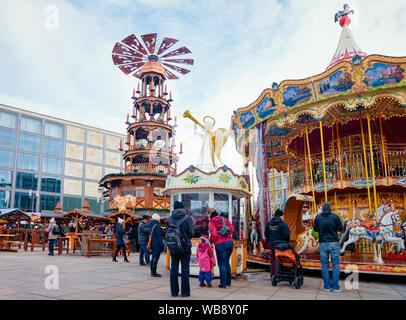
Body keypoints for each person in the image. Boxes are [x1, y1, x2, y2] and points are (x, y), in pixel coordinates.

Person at [313, 202, 343, 292]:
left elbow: (315, 229)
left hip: (323, 243)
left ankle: (326, 286)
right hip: (334, 243)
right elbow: (340, 228)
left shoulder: (318, 217)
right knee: (336, 265)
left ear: (322, 209)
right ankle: (335, 287)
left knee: (325, 265)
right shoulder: (335, 217)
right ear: (330, 209)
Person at [168, 201, 194, 297]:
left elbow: (167, 232)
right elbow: (191, 233)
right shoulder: (187, 218)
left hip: (174, 247)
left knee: (173, 268)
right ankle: (185, 292)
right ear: (182, 208)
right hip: (185, 247)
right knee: (185, 269)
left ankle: (174, 292)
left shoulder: (170, 219)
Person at [208, 208, 234, 289]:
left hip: (220, 244)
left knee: (222, 264)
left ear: (209, 214)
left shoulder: (212, 222)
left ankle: (223, 284)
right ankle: (228, 282)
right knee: (226, 262)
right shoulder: (225, 219)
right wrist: (225, 233)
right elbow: (232, 229)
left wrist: (211, 241)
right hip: (230, 242)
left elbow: (214, 234)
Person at [264, 209, 291, 279]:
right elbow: (287, 234)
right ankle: (278, 275)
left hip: (272, 244)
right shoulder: (282, 223)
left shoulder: (269, 223)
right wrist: (286, 242)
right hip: (281, 245)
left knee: (273, 259)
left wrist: (270, 240)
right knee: (279, 260)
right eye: (283, 216)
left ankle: (272, 275)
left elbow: (266, 234)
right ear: (280, 216)